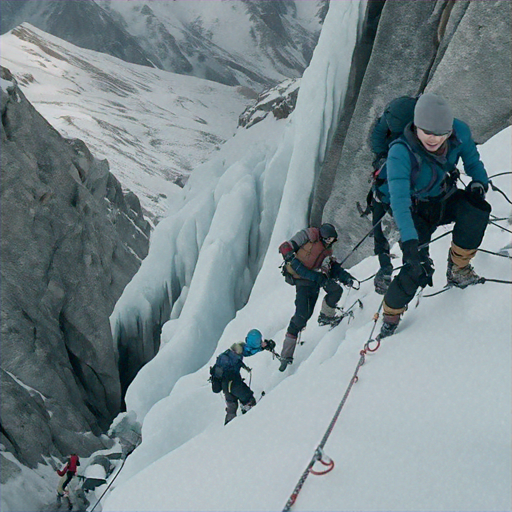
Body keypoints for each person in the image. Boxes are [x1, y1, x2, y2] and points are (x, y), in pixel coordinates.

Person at [379, 92, 491, 339]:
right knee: (415, 268)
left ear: (449, 130)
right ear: (416, 126)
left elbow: (473, 161)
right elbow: (399, 200)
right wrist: (409, 241)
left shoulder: (459, 133)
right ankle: (390, 315)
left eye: (440, 134)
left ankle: (458, 269)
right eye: (427, 132)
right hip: (416, 209)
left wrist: (479, 183)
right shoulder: (400, 151)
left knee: (476, 210)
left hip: (443, 197)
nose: (434, 139)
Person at [278, 223, 355, 371]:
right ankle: (286, 355)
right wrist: (289, 255)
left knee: (335, 290)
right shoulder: (308, 235)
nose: (329, 242)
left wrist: (346, 277)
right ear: (322, 235)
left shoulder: (327, 250)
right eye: (328, 239)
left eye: (332, 240)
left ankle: (326, 316)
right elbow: (285, 246)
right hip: (302, 280)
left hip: (314, 280)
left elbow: (333, 268)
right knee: (301, 316)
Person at [369, 96, 418, 294]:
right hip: (387, 187)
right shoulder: (401, 132)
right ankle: (413, 260)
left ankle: (387, 267)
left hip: (383, 189)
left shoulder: (386, 127)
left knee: (381, 229)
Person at [211, 329, 275, 424]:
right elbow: (248, 350)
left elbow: (248, 350)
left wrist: (262, 347)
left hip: (226, 385)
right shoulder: (235, 353)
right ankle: (250, 420)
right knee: (248, 398)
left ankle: (227, 429)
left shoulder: (234, 351)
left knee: (232, 406)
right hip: (232, 382)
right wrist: (262, 347)